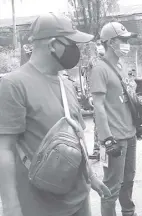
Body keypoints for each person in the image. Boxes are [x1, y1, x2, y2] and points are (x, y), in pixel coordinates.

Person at [0, 13, 110, 216]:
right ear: (53, 44)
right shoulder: (13, 85)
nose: (75, 50)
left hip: (79, 199)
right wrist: (10, 207)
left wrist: (90, 176)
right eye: (71, 43)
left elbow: (77, 136)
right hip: (40, 206)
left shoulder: (66, 83)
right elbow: (4, 150)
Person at [90, 22, 140, 216]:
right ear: (111, 42)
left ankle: (128, 211)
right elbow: (99, 106)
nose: (127, 44)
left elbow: (126, 98)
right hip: (115, 138)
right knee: (111, 186)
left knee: (128, 179)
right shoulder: (99, 69)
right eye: (124, 40)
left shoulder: (120, 65)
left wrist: (137, 124)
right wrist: (107, 138)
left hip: (129, 133)